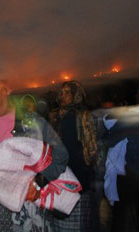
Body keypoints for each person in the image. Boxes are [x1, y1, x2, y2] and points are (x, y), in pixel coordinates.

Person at [0, 71, 69, 232]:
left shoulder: (29, 121)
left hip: (25, 216)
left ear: (7, 88)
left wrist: (39, 182)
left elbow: (60, 154)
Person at [52, 80, 97, 231]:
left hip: (78, 172)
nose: (63, 96)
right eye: (62, 93)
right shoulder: (57, 116)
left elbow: (90, 146)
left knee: (77, 219)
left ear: (76, 95)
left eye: (67, 93)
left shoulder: (82, 116)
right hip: (64, 172)